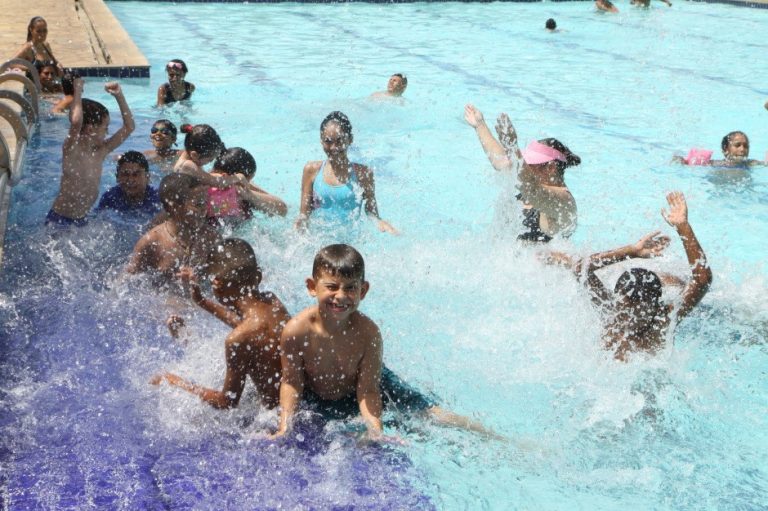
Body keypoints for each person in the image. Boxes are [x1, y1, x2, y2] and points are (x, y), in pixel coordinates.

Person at [271, 244, 497, 442]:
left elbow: (369, 389)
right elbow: (291, 381)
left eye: (350, 288)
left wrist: (375, 429)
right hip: (323, 393)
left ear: (363, 290)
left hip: (375, 383)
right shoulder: (297, 330)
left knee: (430, 416)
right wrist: (284, 426)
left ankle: (493, 436)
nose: (340, 296)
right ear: (312, 287)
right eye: (332, 286)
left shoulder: (368, 333)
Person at [545, 192, 711, 361]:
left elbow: (702, 280)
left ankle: (667, 279)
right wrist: (632, 251)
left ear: (655, 307)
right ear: (618, 301)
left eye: (640, 312)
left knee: (680, 284)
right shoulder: (612, 311)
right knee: (566, 261)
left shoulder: (663, 320)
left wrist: (683, 226)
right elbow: (581, 269)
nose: (631, 319)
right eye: (626, 310)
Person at [151, 238, 291, 409]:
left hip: (272, 415)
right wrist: (202, 301)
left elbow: (227, 402)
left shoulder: (237, 339)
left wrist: (176, 382)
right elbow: (251, 328)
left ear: (217, 284)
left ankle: (187, 342)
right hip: (296, 401)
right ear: (258, 276)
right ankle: (187, 340)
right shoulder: (272, 301)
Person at [464, 104, 578, 242]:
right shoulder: (526, 182)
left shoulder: (564, 201)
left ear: (551, 168)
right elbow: (502, 163)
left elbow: (533, 189)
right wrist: (480, 125)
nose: (525, 168)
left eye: (530, 164)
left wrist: (512, 147)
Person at [46, 79, 135, 226]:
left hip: (82, 219)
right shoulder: (71, 149)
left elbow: (129, 127)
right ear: (90, 129)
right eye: (105, 128)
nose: (107, 132)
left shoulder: (101, 151)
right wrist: (78, 91)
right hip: (60, 219)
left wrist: (119, 96)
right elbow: (76, 122)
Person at [296, 111, 397, 233]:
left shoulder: (363, 174)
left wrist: (380, 222)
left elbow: (371, 211)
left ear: (350, 139)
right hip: (319, 242)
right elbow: (304, 215)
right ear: (321, 141)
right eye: (328, 141)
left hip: (351, 245)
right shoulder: (311, 170)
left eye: (339, 141)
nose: (333, 147)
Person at [126, 174, 222, 286]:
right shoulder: (152, 242)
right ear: (174, 207)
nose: (205, 209)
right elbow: (126, 283)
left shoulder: (211, 238)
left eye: (206, 202)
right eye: (198, 204)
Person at [206, 147, 287, 226]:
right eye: (248, 180)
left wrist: (249, 195)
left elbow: (282, 209)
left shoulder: (243, 186)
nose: (248, 183)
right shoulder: (203, 188)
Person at [173, 123, 246, 189]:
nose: (211, 161)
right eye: (210, 159)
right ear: (194, 155)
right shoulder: (186, 165)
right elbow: (217, 183)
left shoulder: (189, 157)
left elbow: (206, 176)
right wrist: (237, 178)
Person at [96, 151, 161, 216]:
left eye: (136, 174)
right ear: (117, 177)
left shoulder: (158, 198)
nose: (130, 180)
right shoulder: (110, 198)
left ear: (147, 177)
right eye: (125, 174)